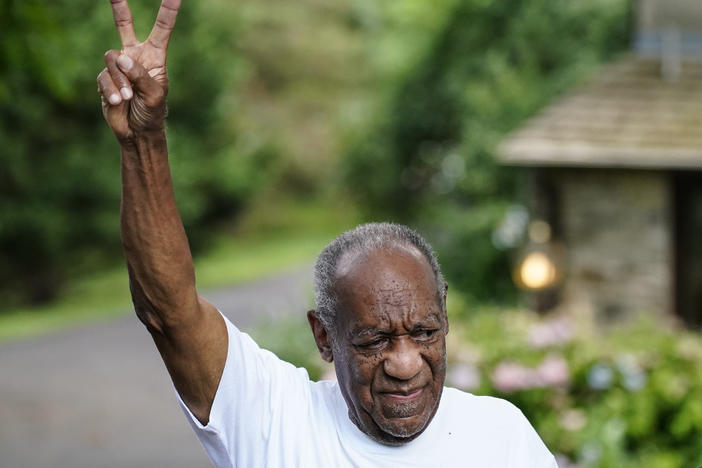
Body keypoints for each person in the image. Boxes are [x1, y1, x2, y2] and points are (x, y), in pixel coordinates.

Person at [97, 1, 558, 466]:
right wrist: (143, 141)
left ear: (444, 313)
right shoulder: (273, 417)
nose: (405, 364)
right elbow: (168, 313)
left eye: (424, 332)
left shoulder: (501, 436)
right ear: (323, 335)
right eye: (373, 340)